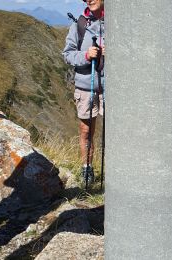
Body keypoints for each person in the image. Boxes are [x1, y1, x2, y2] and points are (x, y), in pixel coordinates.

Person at [62, 0, 105, 184]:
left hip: (115, 87)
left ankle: (116, 172)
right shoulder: (79, 25)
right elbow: (68, 54)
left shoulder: (120, 22)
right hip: (86, 87)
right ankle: (87, 169)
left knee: (116, 133)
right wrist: (87, 55)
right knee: (86, 131)